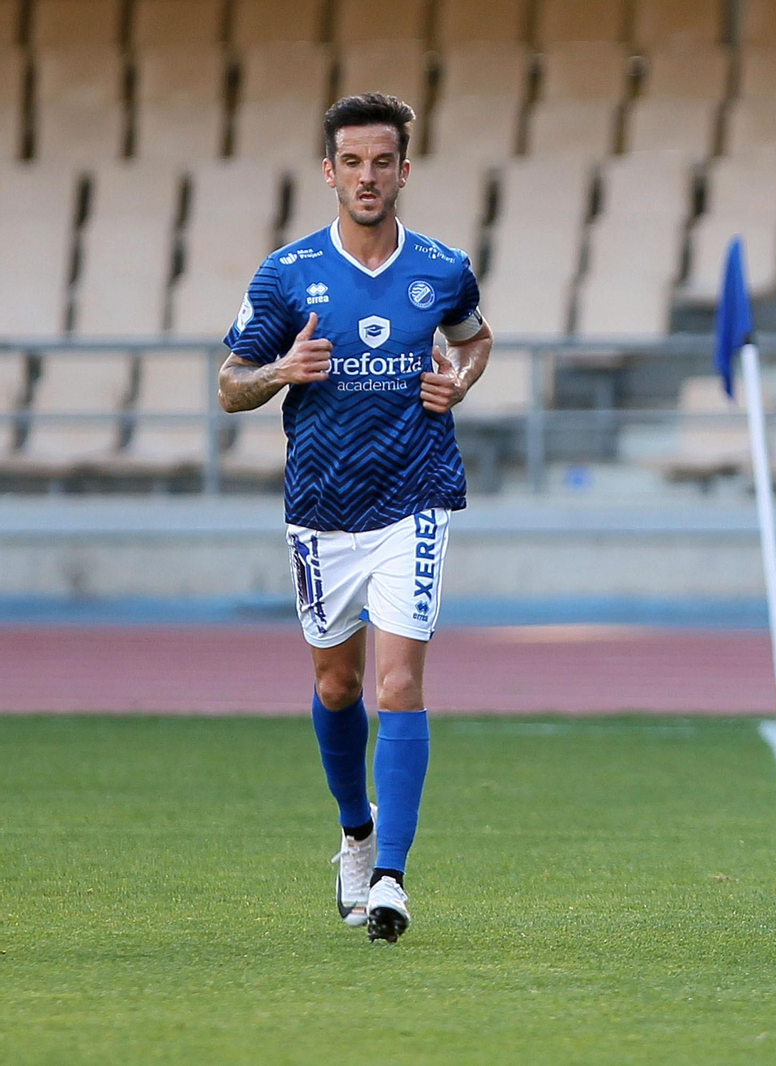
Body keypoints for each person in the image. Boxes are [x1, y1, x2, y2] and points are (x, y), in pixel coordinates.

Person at [216, 93, 493, 943]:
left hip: (415, 497)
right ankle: (354, 827)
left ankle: (390, 880)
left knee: (397, 684)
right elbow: (230, 386)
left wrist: (461, 382)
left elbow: (475, 339)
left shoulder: (442, 268)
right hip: (321, 508)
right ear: (328, 171)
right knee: (336, 686)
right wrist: (282, 372)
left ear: (404, 171)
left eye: (383, 162)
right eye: (353, 162)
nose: (368, 177)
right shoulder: (286, 274)